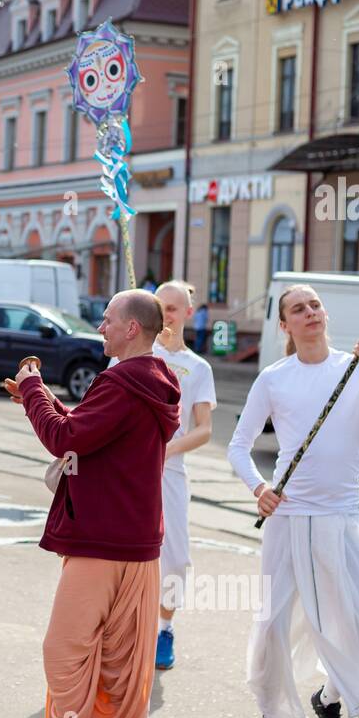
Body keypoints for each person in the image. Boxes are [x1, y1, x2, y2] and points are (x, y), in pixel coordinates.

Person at [227, 283, 359, 718]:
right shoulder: (273, 377)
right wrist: (259, 488)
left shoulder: (353, 369)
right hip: (288, 518)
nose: (310, 312)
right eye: (298, 309)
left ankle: (329, 700)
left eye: (315, 304)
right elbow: (238, 445)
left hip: (342, 516)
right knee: (276, 625)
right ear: (284, 325)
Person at [12, 289, 180, 718]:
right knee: (124, 662)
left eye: (107, 320)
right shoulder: (158, 380)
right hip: (141, 545)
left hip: (99, 544)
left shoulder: (121, 381)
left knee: (66, 651)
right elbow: (92, 430)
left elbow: (64, 438)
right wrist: (39, 396)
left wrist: (31, 389)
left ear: (131, 328)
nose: (100, 327)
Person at [149, 281, 216, 670]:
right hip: (129, 469)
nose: (169, 314)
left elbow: (204, 428)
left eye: (176, 308)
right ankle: (120, 632)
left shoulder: (198, 367)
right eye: (162, 306)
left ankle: (164, 630)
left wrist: (168, 449)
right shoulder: (135, 352)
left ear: (189, 313)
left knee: (174, 559)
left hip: (170, 471)